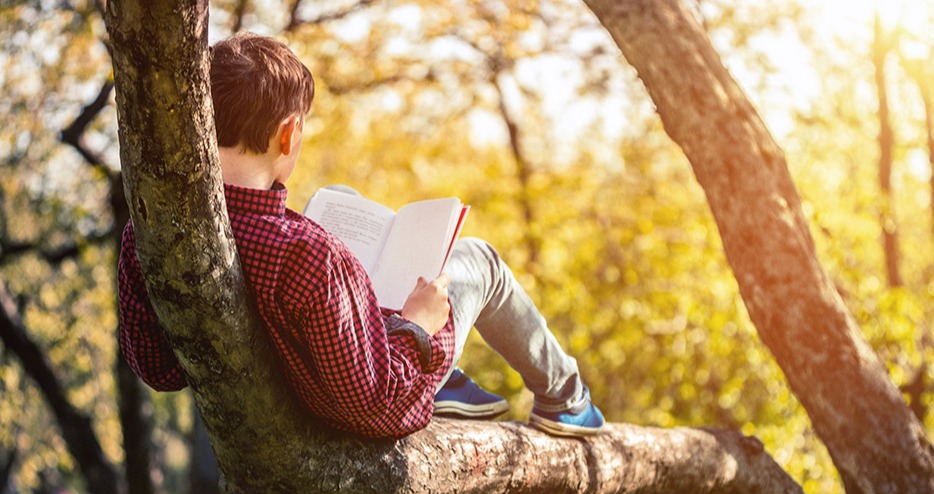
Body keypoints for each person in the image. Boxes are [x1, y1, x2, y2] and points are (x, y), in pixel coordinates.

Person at [117, 32, 604, 440]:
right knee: (480, 260)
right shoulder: (309, 257)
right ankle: (565, 399)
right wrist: (417, 327)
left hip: (310, 366)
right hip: (376, 383)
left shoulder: (153, 235)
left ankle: (454, 382)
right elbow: (373, 403)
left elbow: (158, 369)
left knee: (338, 195)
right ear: (288, 135)